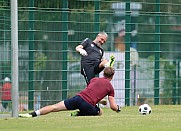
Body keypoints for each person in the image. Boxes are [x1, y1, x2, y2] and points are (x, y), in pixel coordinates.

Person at [19, 67, 121, 118]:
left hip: (78, 98)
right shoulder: (110, 88)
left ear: (103, 73)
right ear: (112, 76)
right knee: (100, 112)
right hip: (87, 105)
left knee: (55, 107)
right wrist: (118, 109)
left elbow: (91, 93)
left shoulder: (94, 80)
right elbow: (112, 106)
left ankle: (32, 114)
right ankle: (79, 114)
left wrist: (101, 101)